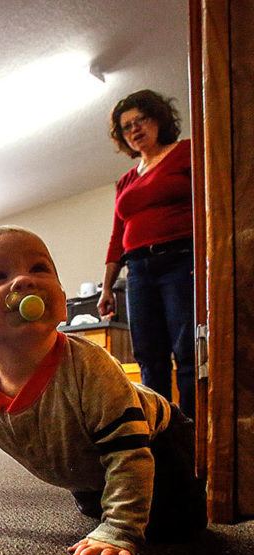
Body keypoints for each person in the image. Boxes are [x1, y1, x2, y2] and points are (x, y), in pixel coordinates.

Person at [0, 226, 206, 555]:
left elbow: (129, 452)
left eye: (38, 268)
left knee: (178, 526)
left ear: (62, 304)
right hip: (82, 456)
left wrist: (120, 530)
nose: (23, 281)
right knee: (98, 508)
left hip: (156, 437)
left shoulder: (90, 366)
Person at [98, 90, 195, 419]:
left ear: (159, 119)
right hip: (138, 271)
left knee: (187, 351)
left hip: (181, 260)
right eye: (127, 127)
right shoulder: (125, 180)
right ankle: (161, 429)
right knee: (149, 356)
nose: (135, 129)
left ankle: (192, 431)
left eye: (141, 119)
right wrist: (107, 287)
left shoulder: (187, 153)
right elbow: (116, 237)